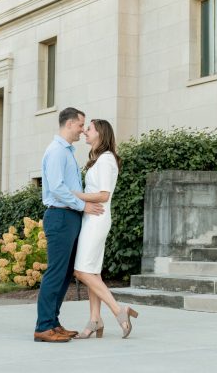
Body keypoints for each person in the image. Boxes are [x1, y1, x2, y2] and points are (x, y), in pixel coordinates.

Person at [34, 107, 105, 343]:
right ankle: (43, 326)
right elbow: (56, 188)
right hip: (60, 216)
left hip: (69, 217)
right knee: (56, 272)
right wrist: (82, 206)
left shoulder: (67, 152)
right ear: (69, 124)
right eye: (80, 125)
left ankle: (53, 323)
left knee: (65, 273)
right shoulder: (56, 152)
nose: (82, 129)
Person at [71, 119, 139, 339]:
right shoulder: (99, 159)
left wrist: (74, 195)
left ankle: (119, 310)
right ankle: (95, 319)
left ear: (100, 133)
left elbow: (104, 194)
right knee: (92, 271)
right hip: (91, 218)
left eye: (88, 129)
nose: (84, 132)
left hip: (97, 219)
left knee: (81, 271)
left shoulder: (107, 160)